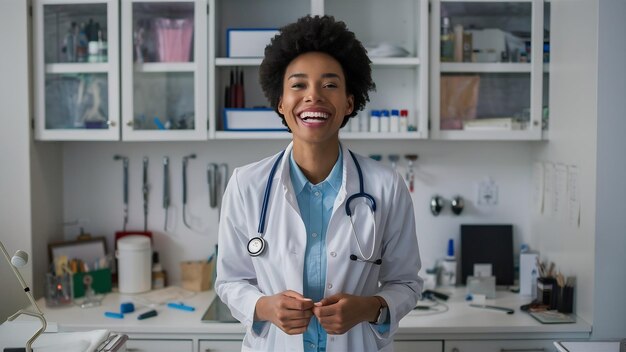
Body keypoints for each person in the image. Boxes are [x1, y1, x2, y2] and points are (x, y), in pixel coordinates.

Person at [215, 15, 422, 352]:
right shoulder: (246, 185)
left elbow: (407, 283)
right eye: (298, 85)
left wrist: (369, 308)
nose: (313, 97)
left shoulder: (387, 186)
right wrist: (266, 307)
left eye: (330, 85)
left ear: (349, 103)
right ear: (281, 103)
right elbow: (230, 280)